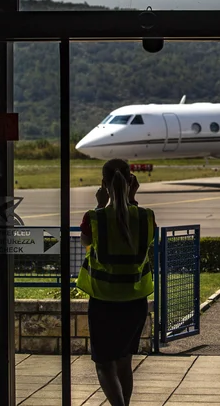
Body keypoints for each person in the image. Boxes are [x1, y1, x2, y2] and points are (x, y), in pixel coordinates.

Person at [76, 159, 157, 406]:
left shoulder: (94, 217)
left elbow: (87, 244)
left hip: (104, 301)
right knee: (124, 361)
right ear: (132, 183)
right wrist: (132, 201)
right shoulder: (146, 217)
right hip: (135, 302)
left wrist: (100, 205)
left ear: (103, 184)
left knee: (104, 364)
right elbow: (149, 242)